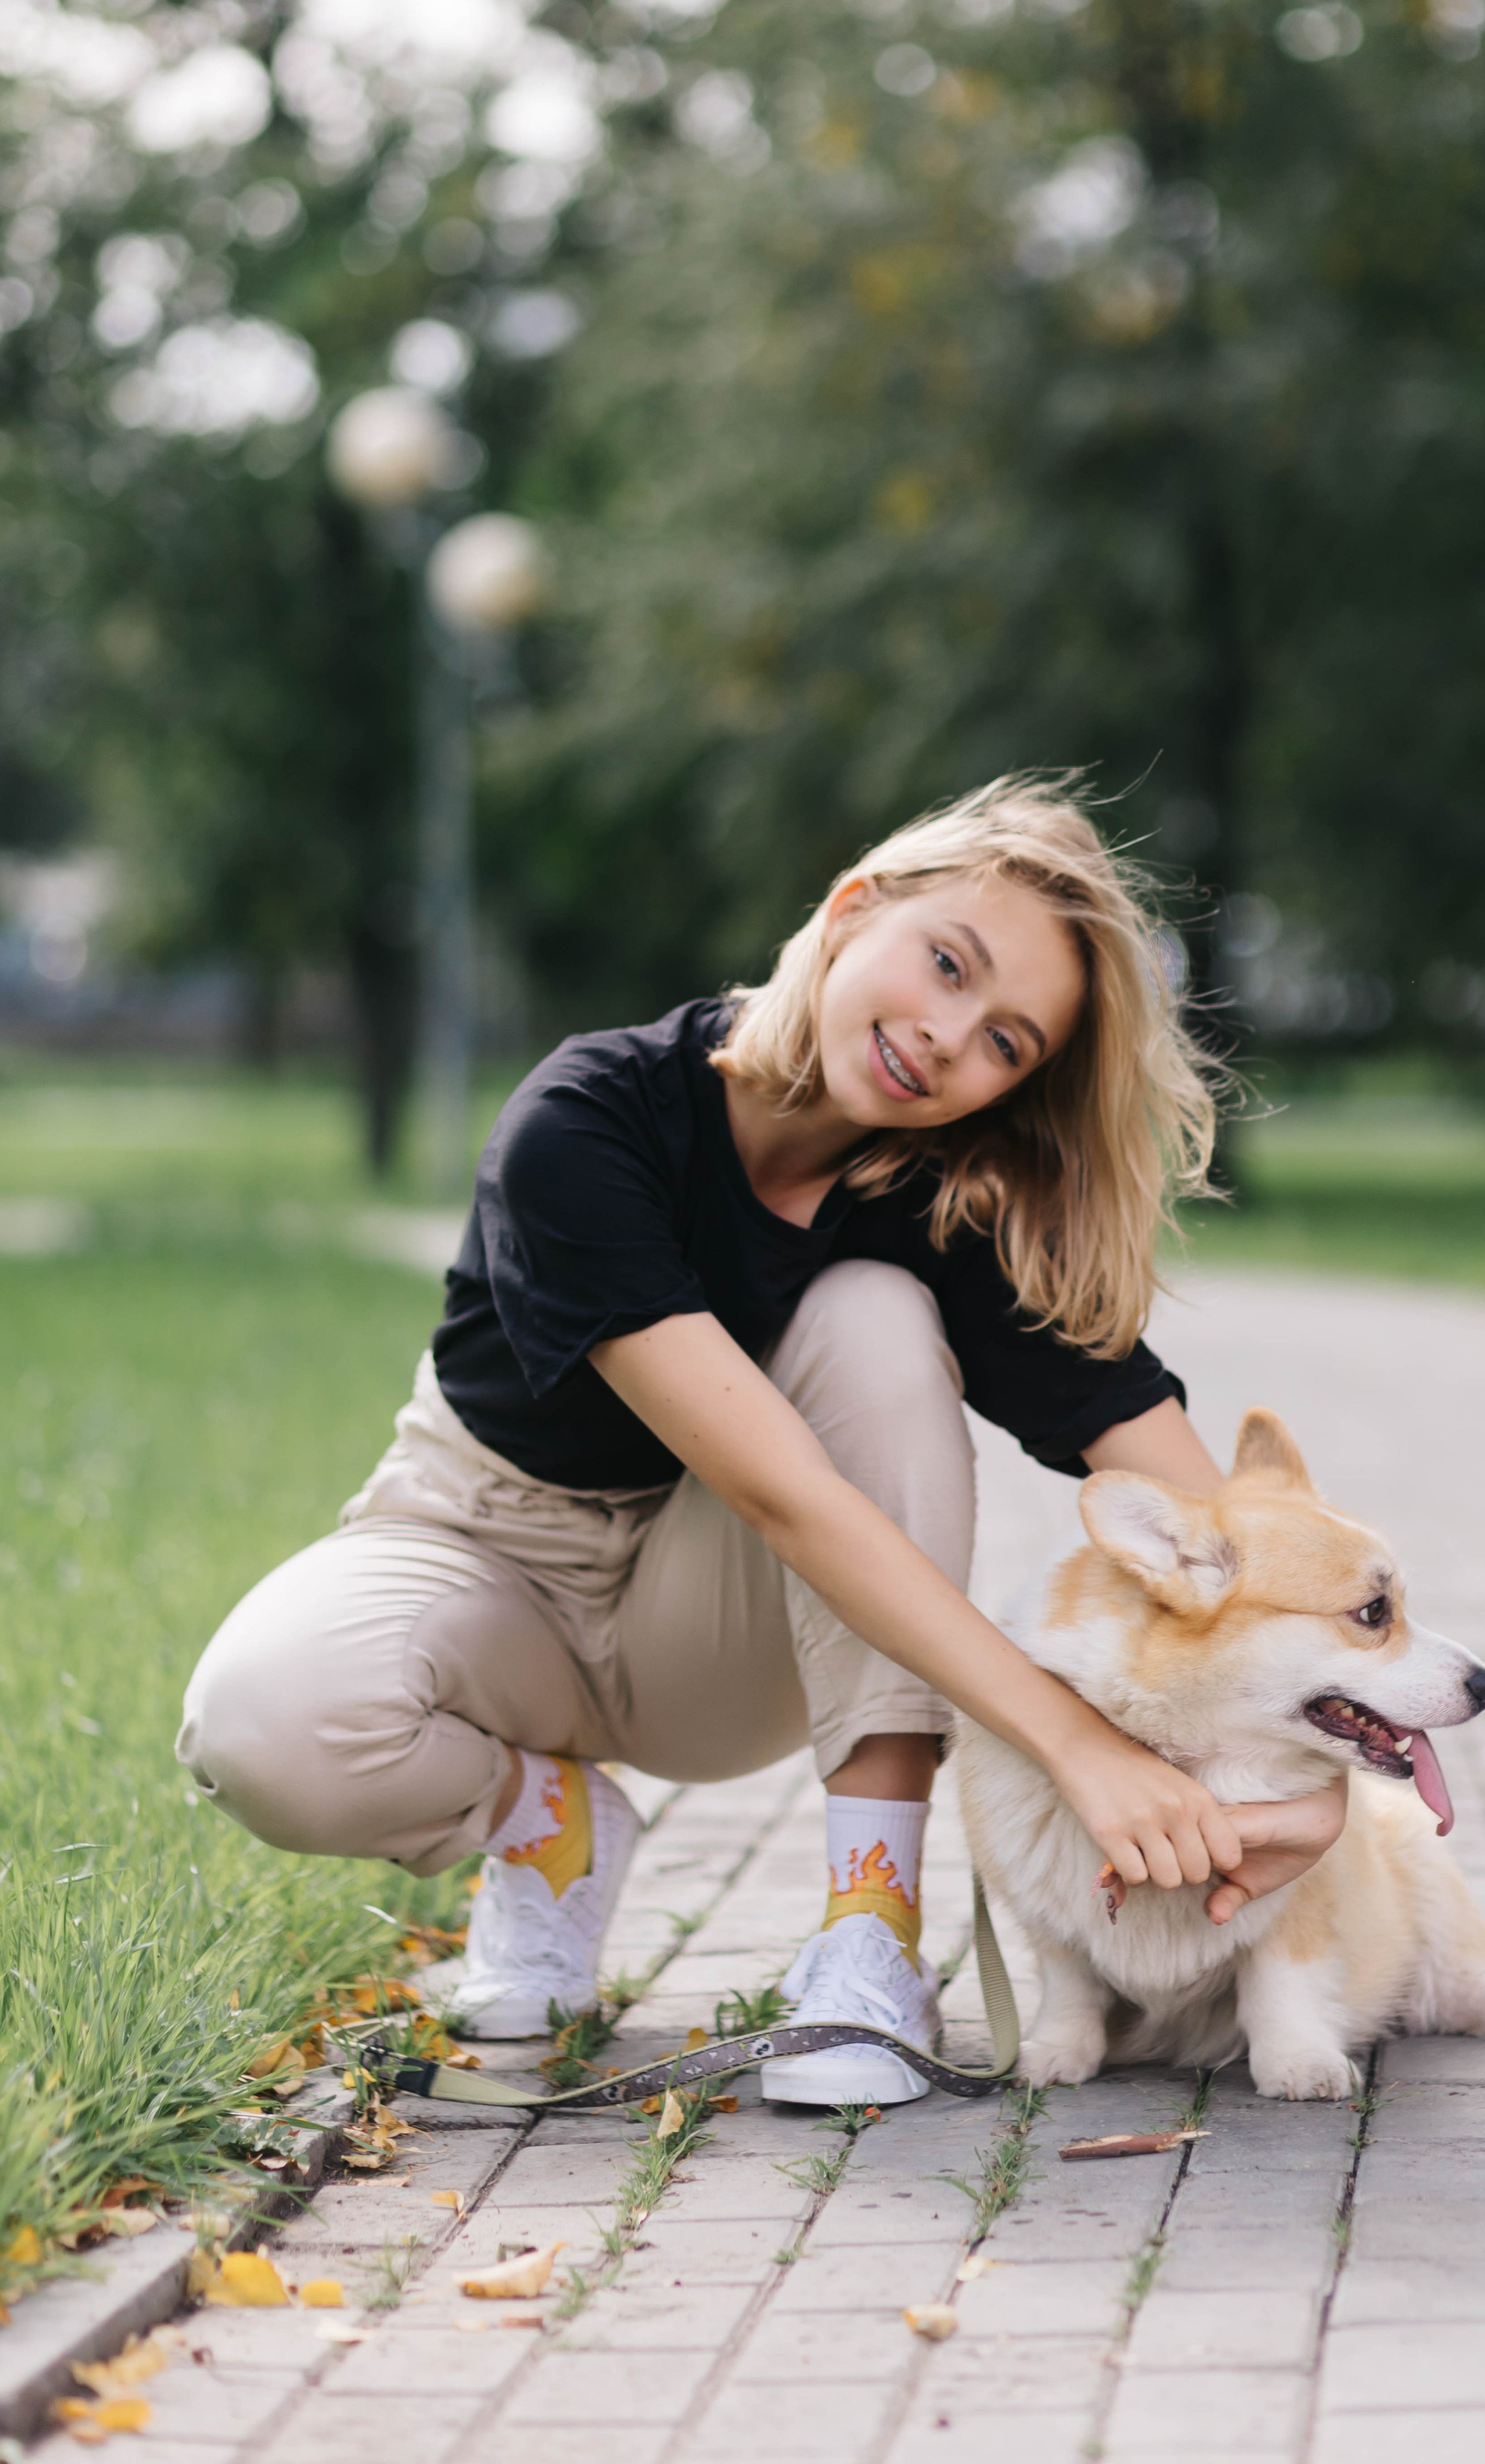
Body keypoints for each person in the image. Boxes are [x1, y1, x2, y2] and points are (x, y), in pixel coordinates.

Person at [179, 779, 1345, 2104]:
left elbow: (1217, 1532)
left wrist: (1327, 1788)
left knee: (873, 1311)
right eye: (946, 965)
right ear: (856, 909)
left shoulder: (937, 1201)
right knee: (262, 1723)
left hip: (716, 1629)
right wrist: (1082, 1746)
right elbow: (789, 1496)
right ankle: (549, 1828)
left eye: (1005, 1042)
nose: (946, 1037)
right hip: (483, 1548)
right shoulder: (587, 1118)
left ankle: (870, 1934)